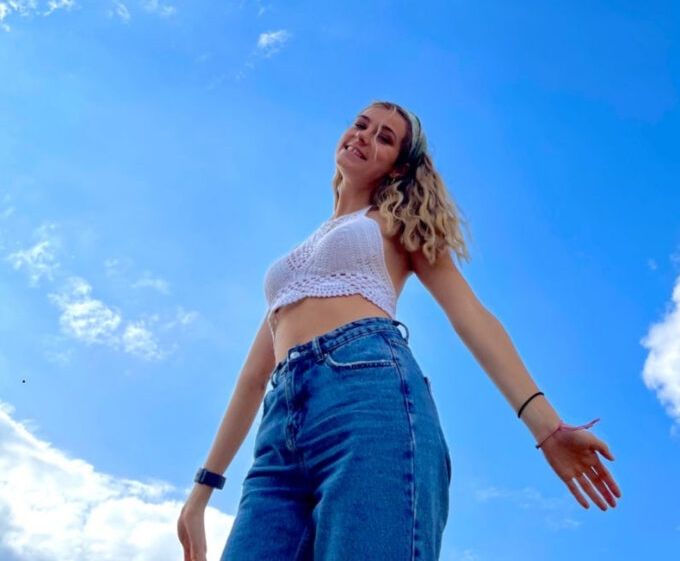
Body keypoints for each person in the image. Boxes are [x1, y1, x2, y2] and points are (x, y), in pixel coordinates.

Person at [177, 100, 621, 561]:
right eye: (361, 124)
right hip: (280, 428)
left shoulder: (393, 222)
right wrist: (202, 493)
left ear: (396, 169)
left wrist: (547, 427)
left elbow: (470, 314)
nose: (364, 136)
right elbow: (251, 379)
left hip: (368, 395)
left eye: (385, 138)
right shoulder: (298, 259)